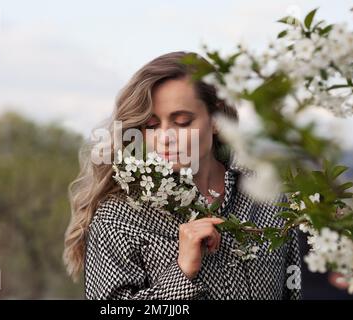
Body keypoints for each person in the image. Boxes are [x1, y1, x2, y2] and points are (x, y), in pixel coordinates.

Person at [63, 51, 301, 299]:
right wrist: (181, 272)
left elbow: (293, 292)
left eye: (182, 121)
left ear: (216, 119)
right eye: (152, 126)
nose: (166, 138)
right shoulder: (118, 219)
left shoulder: (269, 197)